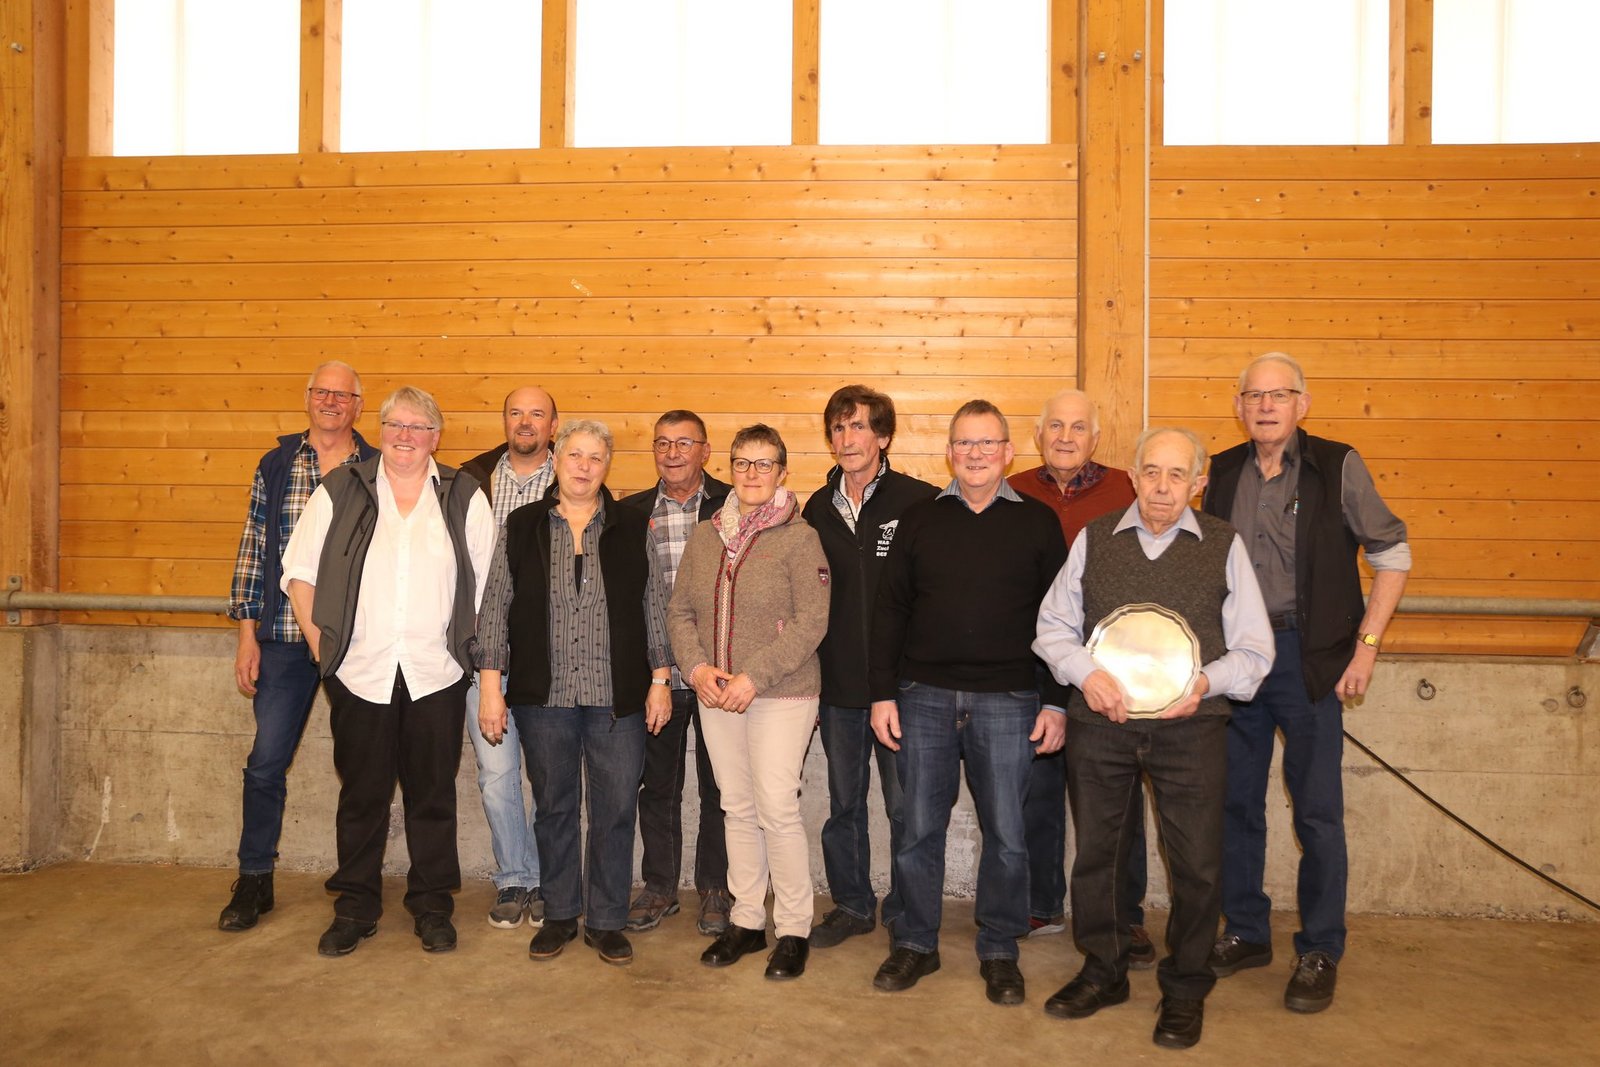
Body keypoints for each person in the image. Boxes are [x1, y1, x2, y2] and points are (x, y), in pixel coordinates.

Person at [1034, 427, 1274, 1050]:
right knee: (1099, 856)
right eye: (1151, 472)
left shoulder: (1223, 544)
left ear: (1198, 483)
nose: (1162, 487)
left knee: (1196, 863)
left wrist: (1205, 683)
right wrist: (1086, 675)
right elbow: (1052, 626)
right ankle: (1104, 970)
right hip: (1102, 725)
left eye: (1177, 475)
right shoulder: (1094, 539)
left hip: (1191, 728)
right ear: (1133, 477)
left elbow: (1254, 649)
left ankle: (1187, 986)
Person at [1202, 352, 1411, 1014]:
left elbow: (1393, 554)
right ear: (1238, 406)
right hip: (1239, 658)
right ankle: (1245, 930)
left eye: (1279, 394)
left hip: (1309, 658)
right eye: (1254, 395)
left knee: (1317, 810)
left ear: (1303, 403)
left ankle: (1320, 947)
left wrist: (1365, 649)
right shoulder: (1222, 471)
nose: (1266, 406)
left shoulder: (1337, 464)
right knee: (1235, 803)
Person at [280, 386, 496, 956]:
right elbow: (299, 574)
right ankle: (354, 906)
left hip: (436, 672)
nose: (406, 436)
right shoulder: (340, 489)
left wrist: (471, 659)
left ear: (435, 437)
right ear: (380, 430)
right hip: (360, 672)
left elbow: (489, 587)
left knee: (433, 795)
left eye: (419, 427)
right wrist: (325, 653)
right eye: (396, 424)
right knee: (362, 795)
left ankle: (432, 905)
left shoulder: (464, 495)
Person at [868, 400, 1069, 1007]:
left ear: (1008, 452)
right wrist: (882, 693)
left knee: (1007, 833)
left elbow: (1061, 620)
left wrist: (1056, 702)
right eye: (964, 443)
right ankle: (916, 942)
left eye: (987, 443)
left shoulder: (1038, 523)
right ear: (949, 452)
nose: (975, 454)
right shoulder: (918, 520)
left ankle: (1000, 948)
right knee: (918, 829)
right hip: (923, 698)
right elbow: (890, 612)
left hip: (1009, 700)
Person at [476, 420, 672, 967]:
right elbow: (494, 608)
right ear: (557, 460)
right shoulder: (522, 525)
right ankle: (561, 913)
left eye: (596, 458)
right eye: (575, 455)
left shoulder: (632, 526)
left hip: (618, 697)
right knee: (555, 807)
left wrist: (660, 681)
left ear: (607, 467)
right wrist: (491, 687)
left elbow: (654, 608)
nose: (584, 467)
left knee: (615, 810)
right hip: (545, 697)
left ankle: (606, 921)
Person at [667, 425, 831, 981]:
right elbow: (680, 611)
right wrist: (697, 669)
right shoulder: (707, 535)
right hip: (716, 693)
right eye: (742, 463)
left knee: (776, 807)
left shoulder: (800, 538)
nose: (752, 474)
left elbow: (812, 621)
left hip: (781, 692)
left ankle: (794, 929)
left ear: (782, 472)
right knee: (735, 806)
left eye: (764, 464)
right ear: (731, 468)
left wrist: (753, 677)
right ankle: (746, 920)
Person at [219, 361, 376, 933]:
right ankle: (254, 877)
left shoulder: (378, 466)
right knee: (266, 762)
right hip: (284, 641)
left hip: (355, 643)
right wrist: (247, 634)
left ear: (358, 405)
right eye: (322, 392)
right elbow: (253, 545)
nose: (331, 402)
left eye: (343, 394)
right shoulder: (278, 463)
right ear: (308, 398)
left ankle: (355, 881)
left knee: (361, 766)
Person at [1008, 389, 1151, 960]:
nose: (1065, 437)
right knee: (1035, 793)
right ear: (1038, 434)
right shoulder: (1012, 490)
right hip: (1034, 666)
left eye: (1078, 427)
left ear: (1096, 437)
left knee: (1115, 802)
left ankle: (1122, 915)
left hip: (1109, 669)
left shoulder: (1128, 491)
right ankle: (1039, 902)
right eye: (1055, 426)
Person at [800, 385, 935, 948]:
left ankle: (906, 908)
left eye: (857, 426)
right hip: (837, 687)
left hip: (902, 688)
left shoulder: (919, 502)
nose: (846, 438)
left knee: (906, 808)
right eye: (838, 427)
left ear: (883, 435)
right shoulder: (815, 508)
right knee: (844, 806)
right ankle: (852, 905)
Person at [621, 410, 734, 936]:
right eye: (662, 443)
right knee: (658, 786)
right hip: (657, 677)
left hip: (719, 674)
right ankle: (661, 886)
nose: (672, 453)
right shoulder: (630, 513)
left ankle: (715, 887)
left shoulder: (735, 505)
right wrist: (653, 674)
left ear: (705, 451)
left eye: (684, 443)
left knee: (721, 787)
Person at [458, 386, 559, 931]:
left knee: (548, 776)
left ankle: (546, 879)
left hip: (548, 657)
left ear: (552, 425)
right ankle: (513, 877)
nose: (525, 422)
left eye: (536, 414)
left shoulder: (573, 477)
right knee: (496, 778)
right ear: (504, 421)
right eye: (516, 413)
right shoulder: (471, 480)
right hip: (486, 655)